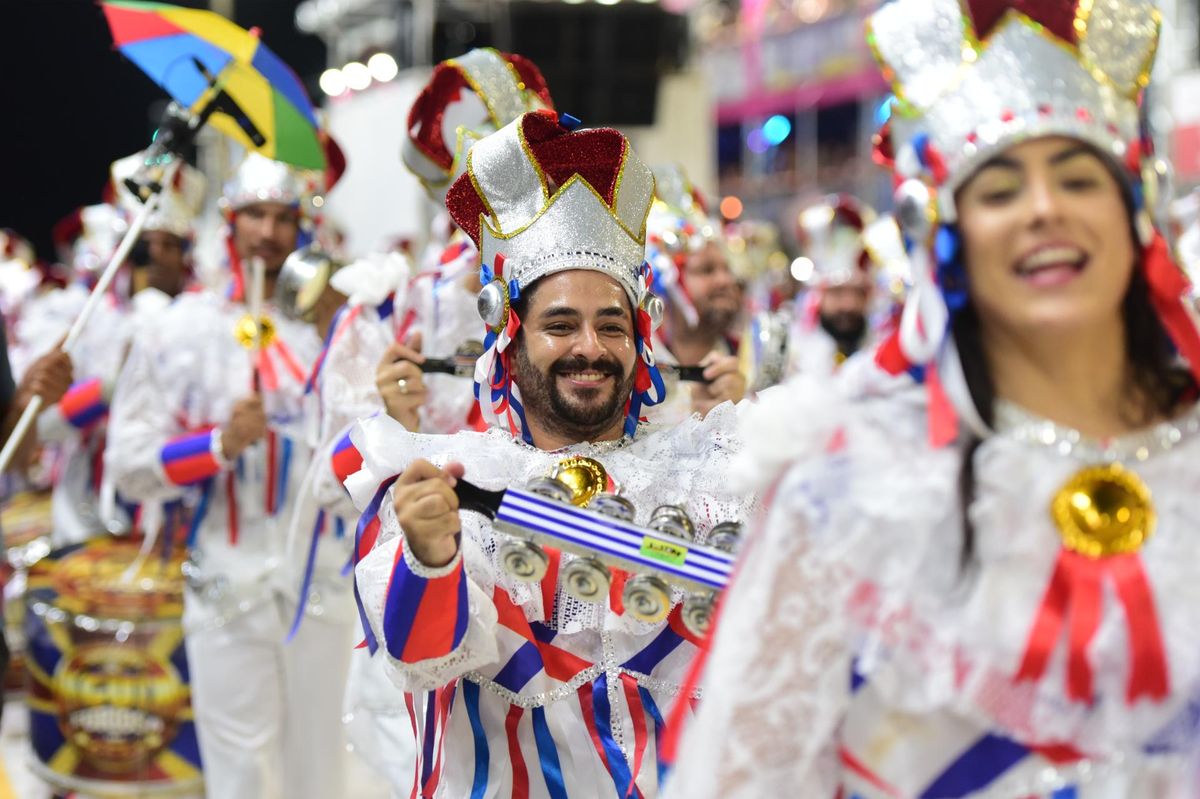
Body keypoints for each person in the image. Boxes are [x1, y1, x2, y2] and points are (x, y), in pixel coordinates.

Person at [665, 0, 1200, 795]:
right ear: (943, 236)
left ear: (1136, 216)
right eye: (1000, 189)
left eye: (1080, 177)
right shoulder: (848, 487)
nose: (1045, 208)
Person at [348, 109, 756, 798]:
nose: (589, 347)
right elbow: (419, 652)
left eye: (611, 325)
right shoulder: (458, 484)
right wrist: (430, 555)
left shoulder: (709, 480)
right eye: (559, 325)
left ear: (640, 340)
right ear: (509, 341)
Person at [105, 151, 351, 799]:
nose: (268, 232)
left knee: (320, 772)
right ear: (228, 220)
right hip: (224, 585)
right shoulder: (179, 329)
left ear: (304, 226)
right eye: (255, 215)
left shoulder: (339, 332)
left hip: (322, 587)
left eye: (283, 217)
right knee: (237, 774)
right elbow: (130, 465)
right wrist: (216, 445)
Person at [643, 164, 746, 423]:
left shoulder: (756, 357)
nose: (725, 280)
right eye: (707, 270)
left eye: (726, 269)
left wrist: (744, 408)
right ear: (667, 284)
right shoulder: (637, 367)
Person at [785, 195, 884, 376]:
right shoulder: (792, 359)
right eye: (837, 293)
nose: (849, 304)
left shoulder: (881, 353)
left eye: (858, 293)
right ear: (817, 296)